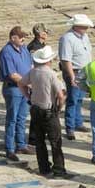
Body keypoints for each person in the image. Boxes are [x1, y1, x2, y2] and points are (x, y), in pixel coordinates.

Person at [19, 46, 73, 179]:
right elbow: (60, 95)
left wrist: (28, 97)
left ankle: (44, 168)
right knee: (55, 142)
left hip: (36, 108)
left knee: (40, 140)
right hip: (49, 110)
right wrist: (60, 107)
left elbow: (21, 83)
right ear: (49, 60)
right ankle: (59, 170)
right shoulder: (50, 74)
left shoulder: (33, 71)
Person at [0, 26, 34, 161]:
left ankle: (21, 144)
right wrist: (28, 82)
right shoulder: (6, 52)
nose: (23, 40)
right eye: (21, 37)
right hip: (13, 89)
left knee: (22, 118)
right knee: (12, 119)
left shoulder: (24, 49)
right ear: (13, 38)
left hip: (25, 88)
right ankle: (9, 148)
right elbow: (12, 74)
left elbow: (30, 66)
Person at [58, 14, 93, 140]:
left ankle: (78, 122)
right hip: (75, 72)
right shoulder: (67, 39)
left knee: (79, 99)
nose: (87, 28)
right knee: (72, 100)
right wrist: (72, 76)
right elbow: (66, 60)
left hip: (84, 72)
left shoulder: (84, 37)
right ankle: (70, 127)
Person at [26, 22, 51, 146]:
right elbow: (32, 65)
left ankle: (39, 134)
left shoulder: (41, 45)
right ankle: (34, 137)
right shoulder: (34, 47)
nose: (47, 34)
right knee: (37, 110)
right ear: (40, 33)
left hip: (41, 79)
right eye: (45, 32)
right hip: (37, 80)